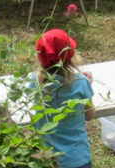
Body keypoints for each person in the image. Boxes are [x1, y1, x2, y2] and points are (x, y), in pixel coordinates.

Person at [34, 29, 95, 168]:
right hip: (77, 158)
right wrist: (88, 85)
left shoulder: (34, 83)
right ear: (71, 55)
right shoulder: (81, 82)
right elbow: (89, 115)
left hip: (46, 158)